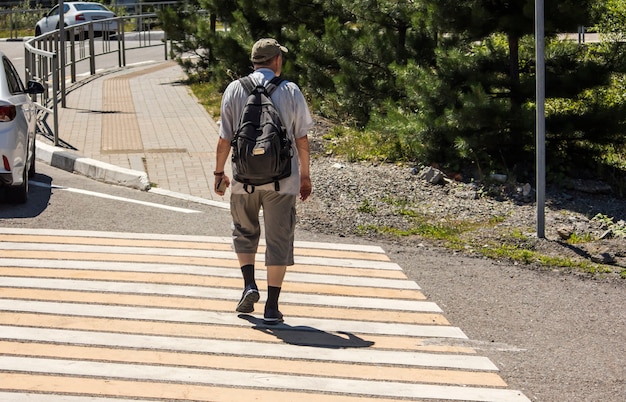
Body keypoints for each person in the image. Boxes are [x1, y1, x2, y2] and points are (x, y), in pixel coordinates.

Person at [213, 38, 314, 324]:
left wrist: (219, 173)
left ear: (254, 61)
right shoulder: (290, 90)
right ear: (276, 61)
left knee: (244, 232)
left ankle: (249, 285)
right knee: (278, 239)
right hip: (283, 181)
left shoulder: (235, 88)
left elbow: (224, 138)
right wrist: (305, 176)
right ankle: (272, 306)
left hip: (243, 180)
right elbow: (301, 138)